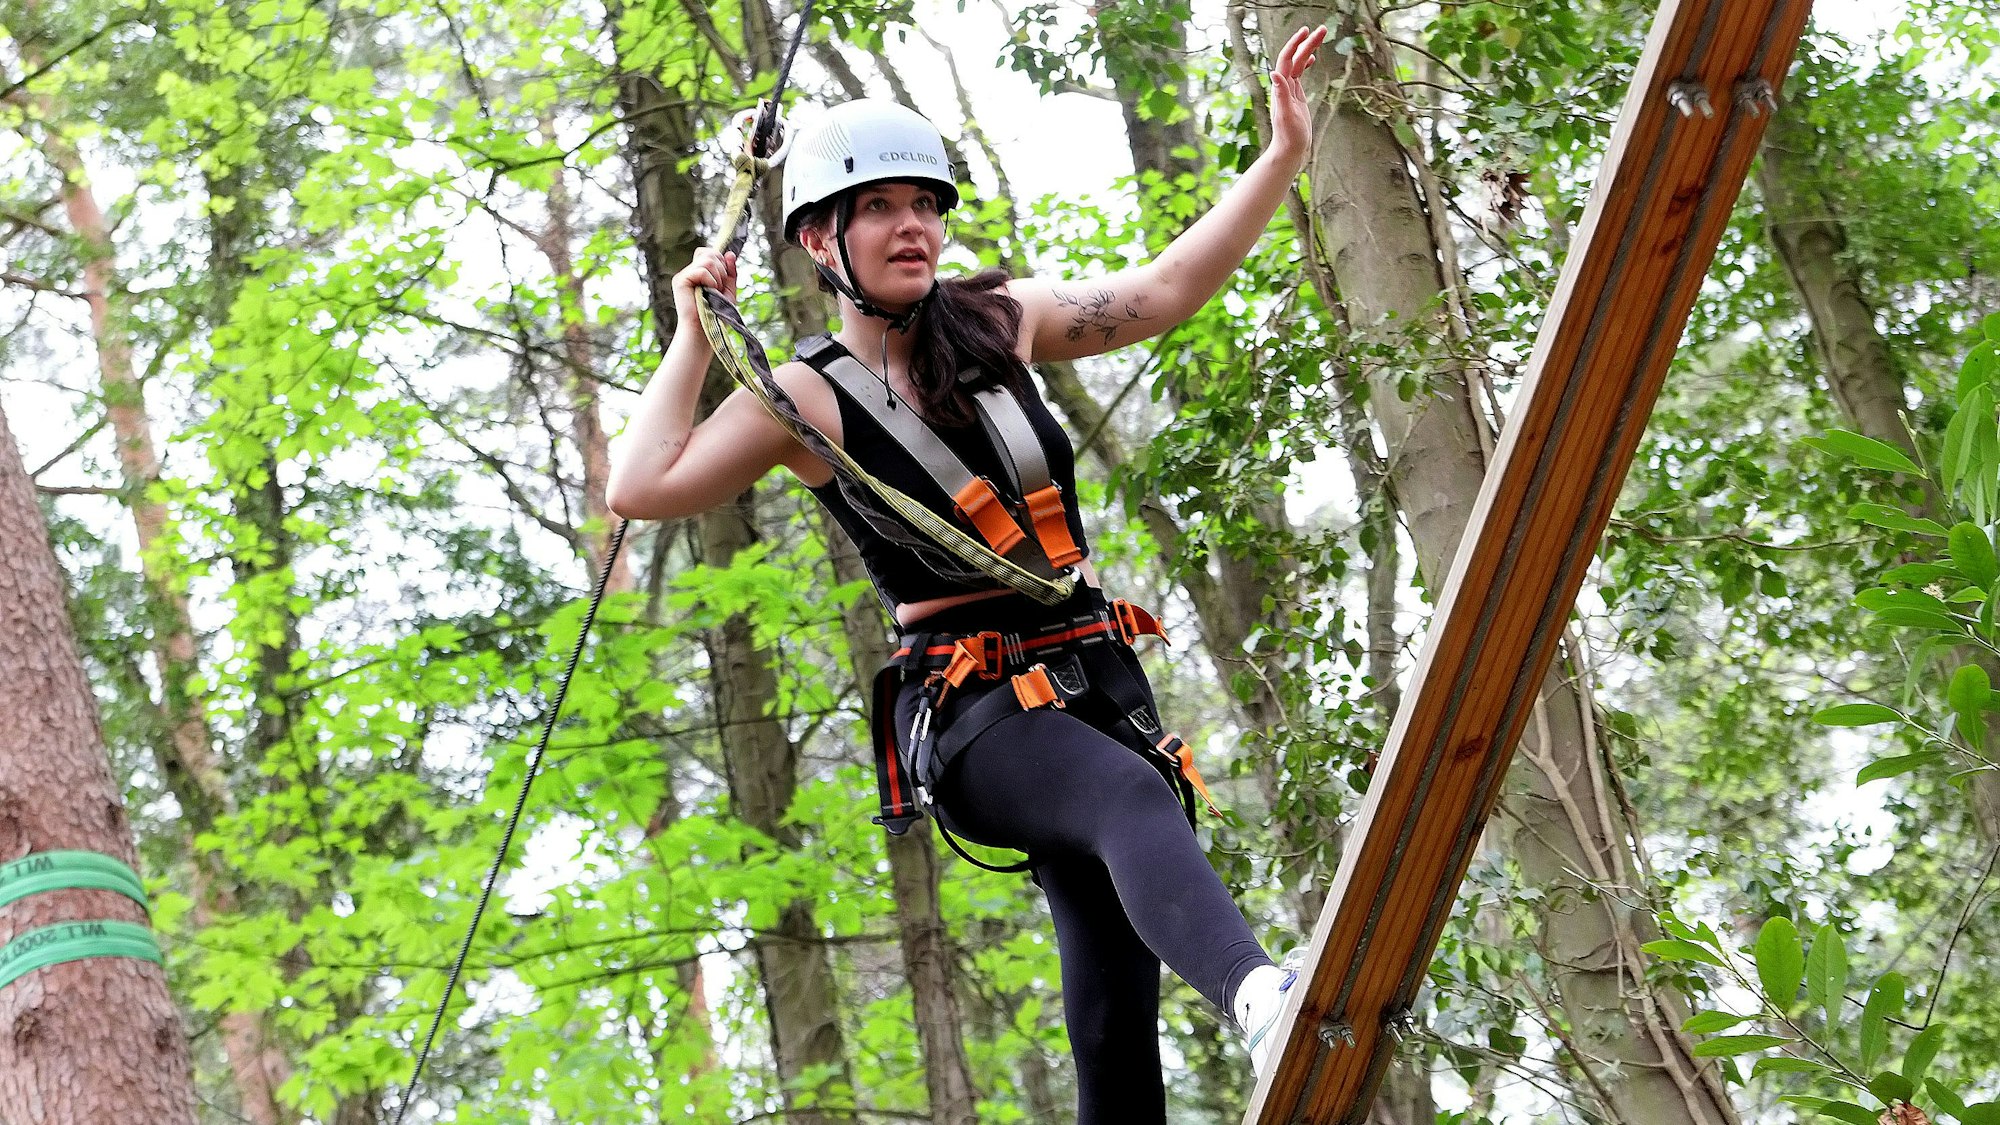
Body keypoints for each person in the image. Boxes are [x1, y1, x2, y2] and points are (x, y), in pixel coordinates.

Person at [607, 24, 1326, 1121]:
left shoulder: (1005, 321)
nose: (914, 228)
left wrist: (1277, 157)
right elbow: (641, 486)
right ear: (819, 238)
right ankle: (1254, 994)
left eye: (926, 204)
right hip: (979, 714)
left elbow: (1170, 288)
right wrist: (691, 335)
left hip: (1094, 686)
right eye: (883, 208)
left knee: (1112, 1009)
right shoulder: (803, 400)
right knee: (1131, 800)